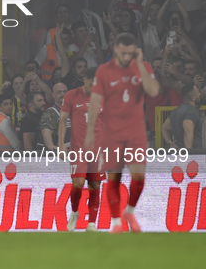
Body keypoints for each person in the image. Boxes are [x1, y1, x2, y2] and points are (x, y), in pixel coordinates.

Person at [85, 33, 160, 233]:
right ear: (115, 48)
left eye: (130, 53)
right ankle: (117, 223)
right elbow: (94, 102)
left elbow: (153, 91)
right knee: (113, 178)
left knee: (138, 177)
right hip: (112, 133)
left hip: (136, 132)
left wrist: (141, 64)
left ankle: (130, 210)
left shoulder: (143, 67)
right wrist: (91, 131)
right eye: (123, 52)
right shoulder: (103, 71)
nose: (127, 57)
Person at [59, 67, 105, 233]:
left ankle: (91, 224)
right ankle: (75, 212)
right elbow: (63, 120)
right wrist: (60, 144)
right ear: (85, 79)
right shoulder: (71, 95)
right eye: (92, 82)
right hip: (78, 147)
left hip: (98, 148)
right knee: (78, 183)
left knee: (94, 185)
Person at [162, 84, 203, 149]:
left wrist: (170, 143)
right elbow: (187, 129)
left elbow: (164, 128)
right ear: (193, 97)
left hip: (179, 154)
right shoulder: (191, 111)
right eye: (198, 92)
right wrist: (188, 153)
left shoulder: (176, 111)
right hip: (193, 155)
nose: (200, 94)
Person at [40, 83, 69, 152]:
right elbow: (46, 131)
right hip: (63, 155)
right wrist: (51, 146)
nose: (62, 94)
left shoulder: (74, 111)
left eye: (64, 92)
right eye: (59, 92)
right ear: (53, 95)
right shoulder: (51, 112)